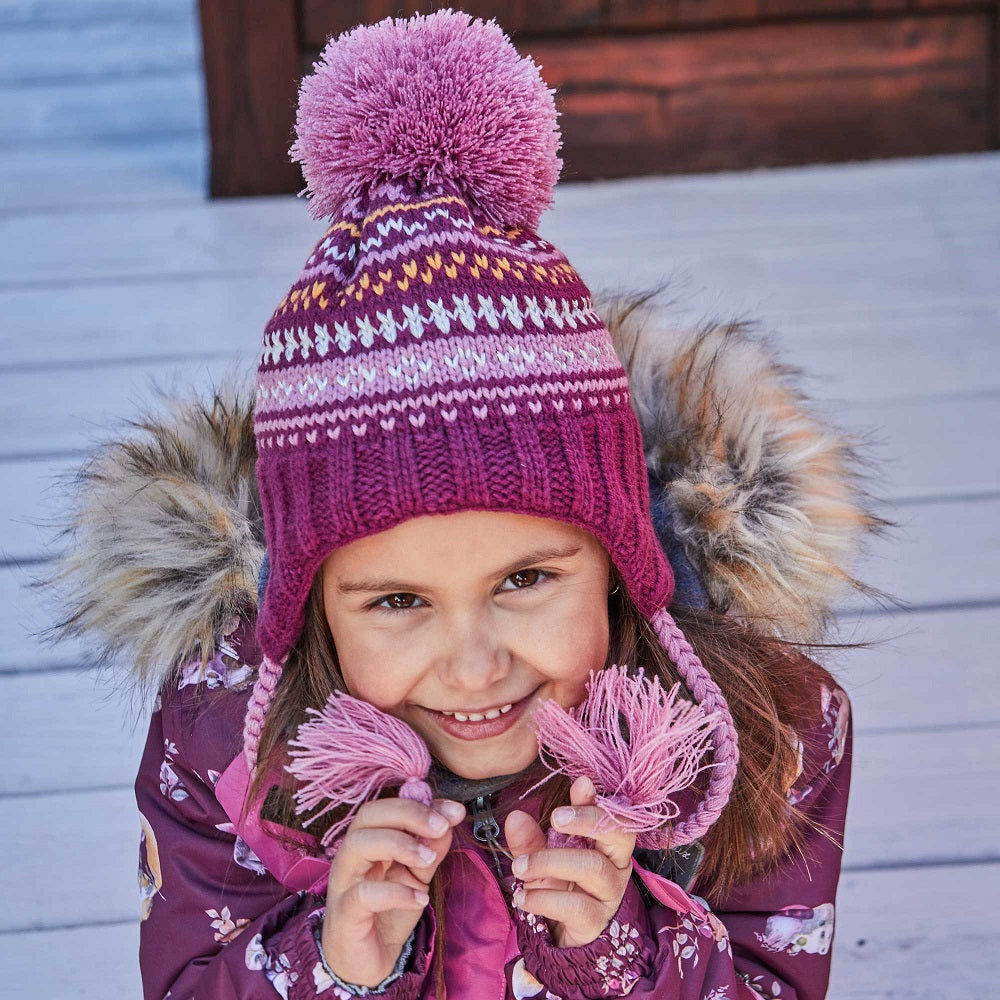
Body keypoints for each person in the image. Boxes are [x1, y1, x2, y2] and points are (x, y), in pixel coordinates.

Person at [49, 10, 884, 999]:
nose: (474, 663)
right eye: (396, 600)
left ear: (625, 565)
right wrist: (334, 959)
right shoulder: (224, 739)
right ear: (307, 601)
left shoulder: (757, 738)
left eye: (525, 578)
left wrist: (622, 951)